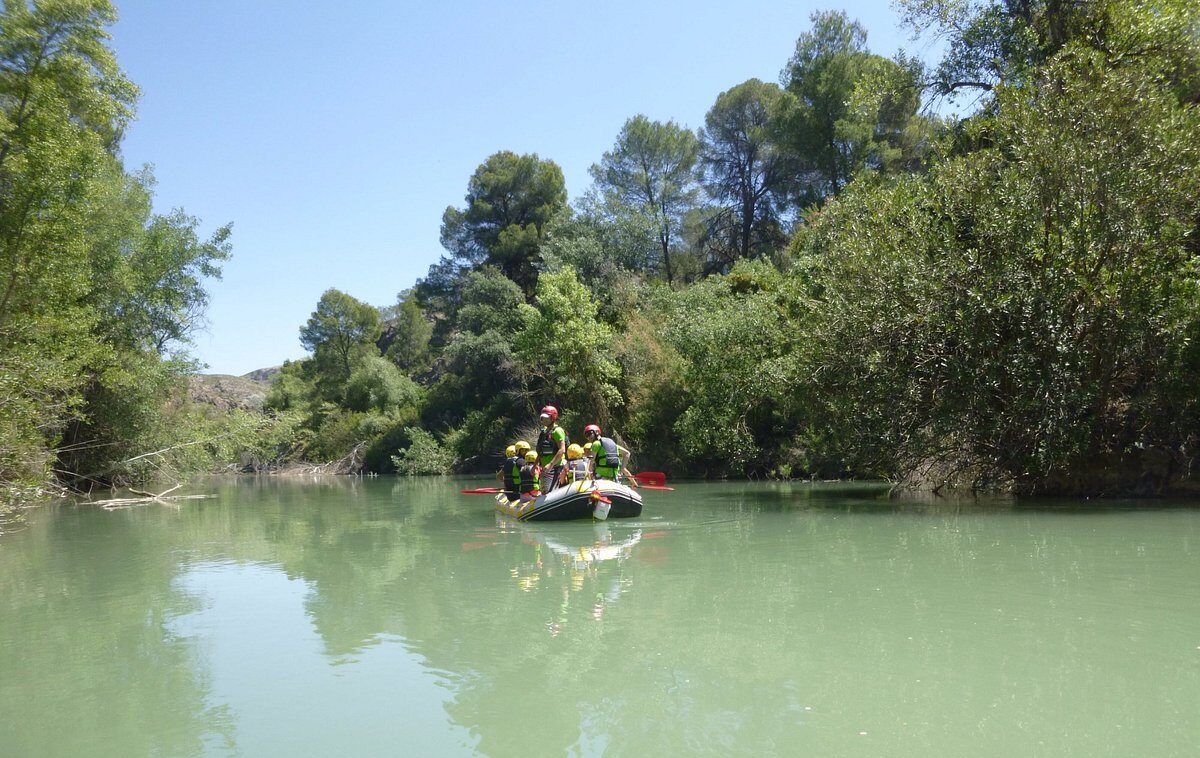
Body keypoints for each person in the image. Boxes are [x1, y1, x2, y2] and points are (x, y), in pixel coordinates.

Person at [535, 405, 568, 493]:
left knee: (551, 493)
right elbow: (541, 452)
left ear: (553, 417)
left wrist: (550, 464)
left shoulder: (557, 431)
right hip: (545, 467)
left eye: (546, 418)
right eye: (543, 418)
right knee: (545, 492)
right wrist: (534, 466)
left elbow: (562, 450)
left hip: (555, 467)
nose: (544, 420)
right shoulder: (545, 432)